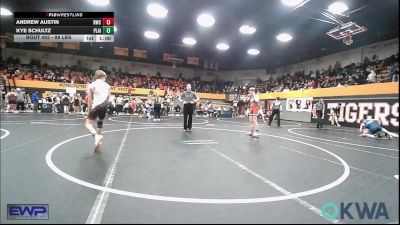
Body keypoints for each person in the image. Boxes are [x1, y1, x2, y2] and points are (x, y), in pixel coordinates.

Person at [85, 70, 111, 151]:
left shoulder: (91, 85)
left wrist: (89, 111)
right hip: (104, 107)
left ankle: (96, 136)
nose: (105, 79)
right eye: (105, 78)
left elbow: (89, 99)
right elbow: (108, 97)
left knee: (87, 124)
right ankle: (98, 143)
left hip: (96, 106)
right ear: (102, 76)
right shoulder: (107, 86)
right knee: (100, 123)